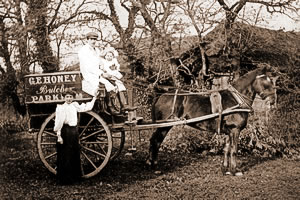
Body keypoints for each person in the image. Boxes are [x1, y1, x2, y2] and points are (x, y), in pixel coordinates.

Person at [78, 31, 133, 114]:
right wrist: (101, 73)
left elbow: (100, 61)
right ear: (87, 40)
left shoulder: (96, 50)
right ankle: (111, 108)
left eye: (95, 39)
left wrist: (104, 69)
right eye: (91, 39)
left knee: (117, 82)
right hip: (90, 75)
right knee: (107, 85)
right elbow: (88, 66)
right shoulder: (84, 51)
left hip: (99, 73)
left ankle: (123, 106)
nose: (93, 41)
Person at [54, 89, 96, 185]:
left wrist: (94, 98)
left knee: (74, 153)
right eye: (67, 97)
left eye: (70, 97)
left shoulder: (75, 105)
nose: (69, 99)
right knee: (65, 154)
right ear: (64, 97)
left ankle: (75, 178)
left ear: (73, 98)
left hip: (74, 132)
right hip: (65, 131)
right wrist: (59, 136)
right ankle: (65, 179)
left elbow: (86, 107)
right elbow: (59, 122)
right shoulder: (60, 108)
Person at [101, 47, 131, 111]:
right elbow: (104, 70)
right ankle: (113, 105)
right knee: (114, 87)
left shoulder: (114, 62)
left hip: (114, 76)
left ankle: (124, 104)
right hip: (108, 77)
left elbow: (117, 69)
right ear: (105, 56)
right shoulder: (104, 62)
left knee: (121, 86)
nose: (109, 57)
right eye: (107, 56)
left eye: (110, 56)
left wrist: (116, 72)